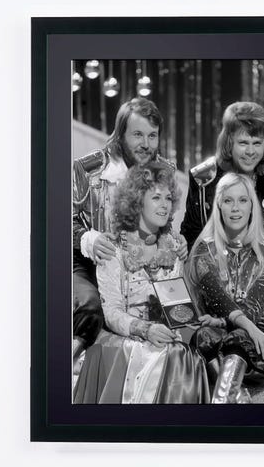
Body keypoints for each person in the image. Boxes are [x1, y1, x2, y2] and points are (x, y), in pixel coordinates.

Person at [73, 162, 209, 404]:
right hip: (122, 340)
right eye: (156, 197)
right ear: (136, 202)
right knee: (166, 356)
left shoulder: (174, 249)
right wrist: (144, 329)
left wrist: (181, 327)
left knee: (186, 356)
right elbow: (111, 312)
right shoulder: (113, 249)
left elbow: (176, 309)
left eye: (168, 198)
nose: (165, 204)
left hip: (162, 341)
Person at [72, 98, 186, 370]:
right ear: (120, 134)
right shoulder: (88, 169)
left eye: (152, 136)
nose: (146, 144)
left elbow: (164, 220)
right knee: (91, 308)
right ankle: (71, 372)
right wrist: (89, 239)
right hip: (90, 263)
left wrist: (176, 240)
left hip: (138, 264)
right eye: (137, 134)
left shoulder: (164, 170)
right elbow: (59, 221)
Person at [180, 101, 264, 337]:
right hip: (215, 279)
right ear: (228, 142)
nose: (250, 151)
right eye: (243, 143)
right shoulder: (204, 179)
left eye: (257, 143)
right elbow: (192, 236)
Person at [186, 173, 264, 403]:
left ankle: (224, 402)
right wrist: (226, 325)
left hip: (252, 344)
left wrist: (226, 322)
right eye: (228, 201)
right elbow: (219, 298)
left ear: (252, 206)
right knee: (204, 337)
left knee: (248, 343)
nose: (236, 208)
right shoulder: (204, 250)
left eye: (243, 200)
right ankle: (229, 401)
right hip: (215, 340)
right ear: (219, 206)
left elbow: (254, 307)